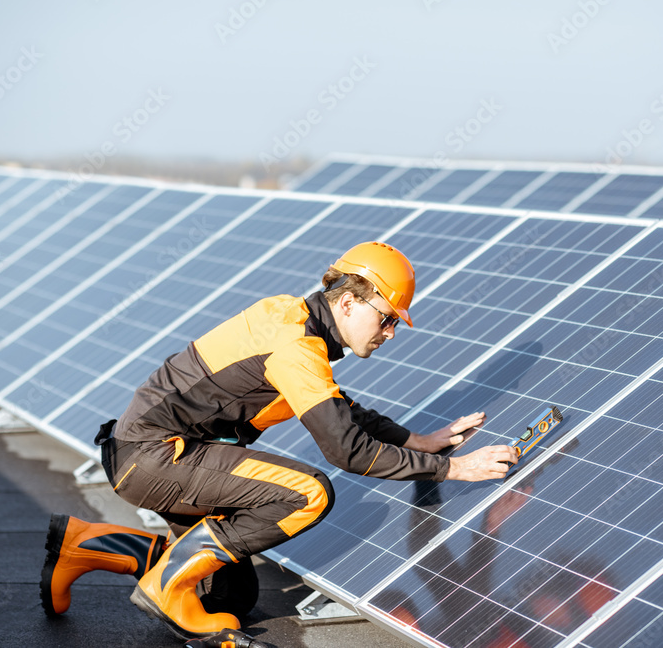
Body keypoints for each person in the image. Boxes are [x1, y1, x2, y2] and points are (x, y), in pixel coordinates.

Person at [40, 241, 517, 640]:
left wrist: (420, 440)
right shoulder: (297, 348)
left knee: (231, 597)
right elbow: (345, 449)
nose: (390, 333)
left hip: (148, 454)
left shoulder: (290, 317)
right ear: (349, 302)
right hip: (158, 458)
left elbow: (340, 409)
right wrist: (455, 468)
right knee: (308, 492)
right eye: (387, 318)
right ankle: (168, 585)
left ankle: (86, 544)